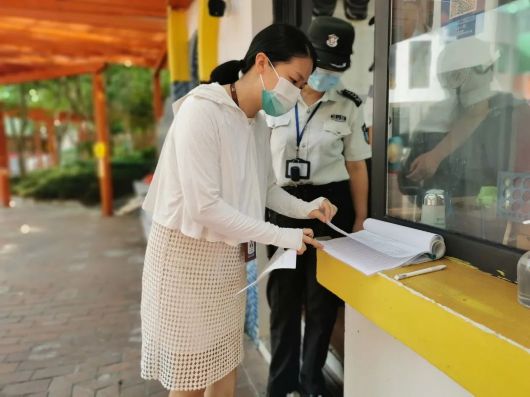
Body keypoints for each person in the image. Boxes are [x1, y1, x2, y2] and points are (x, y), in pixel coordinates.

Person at [140, 23, 338, 397]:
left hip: (227, 262)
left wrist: (307, 209)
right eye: (295, 81)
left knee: (224, 366)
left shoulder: (257, 123)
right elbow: (204, 207)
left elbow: (265, 189)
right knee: (190, 381)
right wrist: (284, 235)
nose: (297, 93)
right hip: (185, 260)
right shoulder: (202, 111)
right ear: (262, 63)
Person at [265, 17, 371, 397]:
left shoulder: (347, 105)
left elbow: (357, 166)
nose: (324, 75)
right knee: (284, 302)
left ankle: (311, 384)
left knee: (322, 300)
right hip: (281, 209)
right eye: (319, 65)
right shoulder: (272, 102)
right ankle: (280, 385)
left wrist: (360, 218)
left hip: (331, 207)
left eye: (333, 68)